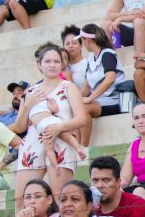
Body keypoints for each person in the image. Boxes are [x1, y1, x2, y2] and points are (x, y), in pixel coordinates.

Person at [12, 45, 88, 205]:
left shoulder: (69, 87)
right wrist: (26, 105)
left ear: (62, 64)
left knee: (59, 196)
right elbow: (19, 128)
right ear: (39, 65)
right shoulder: (30, 91)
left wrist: (59, 127)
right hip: (32, 144)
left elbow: (82, 119)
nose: (52, 65)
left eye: (56, 61)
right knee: (21, 198)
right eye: (47, 61)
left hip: (61, 141)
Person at [77, 24, 126, 147]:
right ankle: (76, 146)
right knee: (75, 106)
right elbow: (88, 86)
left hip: (114, 99)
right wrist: (74, 99)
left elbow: (110, 79)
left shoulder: (107, 54)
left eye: (82, 40)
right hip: (99, 100)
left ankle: (83, 148)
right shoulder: (90, 58)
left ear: (88, 40)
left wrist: (90, 98)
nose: (82, 44)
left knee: (84, 108)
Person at [61, 25, 88, 90]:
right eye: (67, 44)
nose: (70, 46)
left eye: (74, 43)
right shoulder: (61, 66)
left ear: (81, 45)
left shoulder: (87, 65)